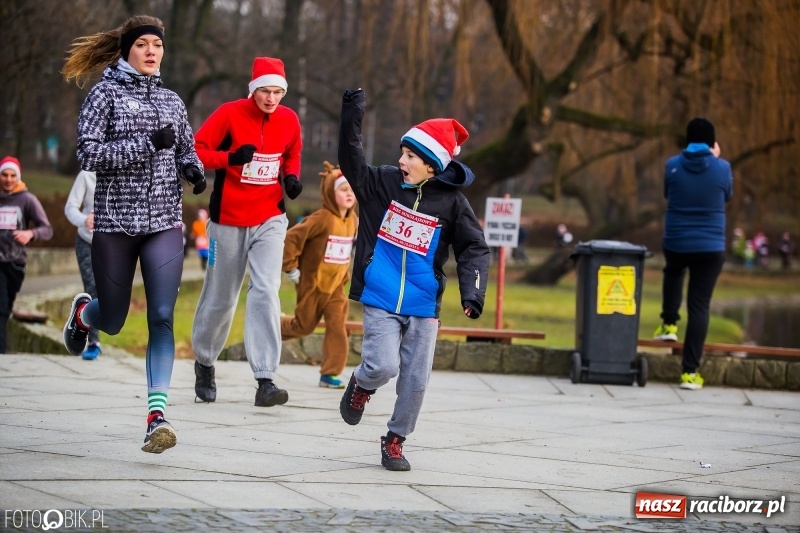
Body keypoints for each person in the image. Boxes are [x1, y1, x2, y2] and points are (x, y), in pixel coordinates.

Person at [60, 15, 206, 453]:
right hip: (115, 225)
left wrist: (193, 169)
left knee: (161, 315)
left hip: (163, 224)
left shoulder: (172, 100)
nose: (151, 51)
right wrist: (147, 145)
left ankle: (156, 417)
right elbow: (88, 154)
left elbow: (185, 148)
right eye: (142, 44)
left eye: (156, 45)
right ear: (127, 50)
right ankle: (85, 315)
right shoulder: (104, 95)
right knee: (114, 319)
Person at [338, 89, 489, 471]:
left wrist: (472, 293)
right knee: (382, 366)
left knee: (416, 381)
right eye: (402, 153)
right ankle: (362, 384)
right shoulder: (383, 184)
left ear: (432, 166)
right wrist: (352, 115)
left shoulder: (453, 203)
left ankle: (395, 439)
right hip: (381, 294)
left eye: (410, 156)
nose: (401, 160)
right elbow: (352, 162)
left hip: (423, 304)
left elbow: (473, 247)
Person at [191, 56, 303, 407]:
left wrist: (291, 177)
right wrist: (231, 158)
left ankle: (265, 379)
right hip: (228, 219)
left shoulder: (289, 119)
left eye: (278, 92)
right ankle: (205, 361)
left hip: (270, 217)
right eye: (265, 91)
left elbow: (292, 153)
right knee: (222, 297)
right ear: (253, 90)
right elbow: (197, 151)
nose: (272, 98)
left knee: (267, 289)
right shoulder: (229, 113)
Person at [653, 117, 732, 391]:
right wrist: (715, 160)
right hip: (710, 247)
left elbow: (668, 193)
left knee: (673, 270)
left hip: (677, 241)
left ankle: (669, 324)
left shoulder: (672, 165)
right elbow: (726, 195)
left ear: (687, 140)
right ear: (712, 143)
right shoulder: (723, 168)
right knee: (699, 306)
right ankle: (689, 373)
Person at [281, 161, 358, 389]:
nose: (349, 194)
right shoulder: (322, 218)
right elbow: (292, 238)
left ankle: (330, 374)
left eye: (352, 190)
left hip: (336, 288)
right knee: (303, 326)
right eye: (343, 189)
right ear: (330, 193)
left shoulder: (353, 220)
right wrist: (291, 267)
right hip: (312, 285)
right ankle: (271, 325)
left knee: (338, 328)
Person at [0, 156, 53, 353]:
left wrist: (30, 234)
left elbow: (47, 229)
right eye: (4, 175)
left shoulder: (27, 200)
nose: (8, 179)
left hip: (15, 263)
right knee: (0, 307)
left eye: (12, 175)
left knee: (5, 307)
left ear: (18, 177)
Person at [64, 169, 102, 360]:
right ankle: (93, 341)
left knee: (111, 291)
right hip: (87, 241)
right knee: (92, 286)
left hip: (114, 245)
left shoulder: (126, 173)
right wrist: (84, 219)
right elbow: (70, 207)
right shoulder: (87, 175)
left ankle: (83, 318)